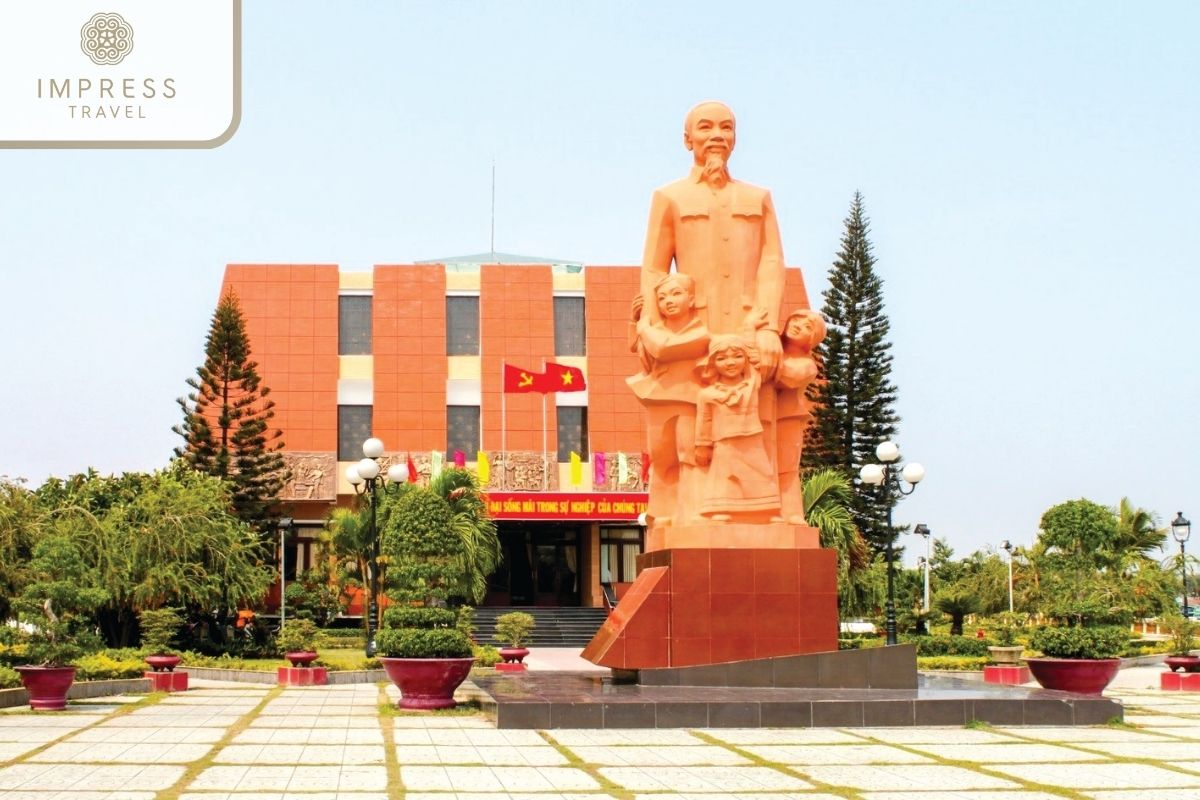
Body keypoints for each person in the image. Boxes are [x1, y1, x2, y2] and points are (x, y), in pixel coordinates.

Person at [639, 101, 786, 378]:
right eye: (705, 127)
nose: (717, 135)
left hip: (749, 329)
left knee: (755, 415)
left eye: (726, 128)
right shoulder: (670, 198)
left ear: (735, 139)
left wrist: (769, 329)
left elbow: (772, 263)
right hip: (693, 331)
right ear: (688, 140)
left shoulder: (757, 198)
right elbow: (654, 270)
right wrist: (652, 327)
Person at [627, 272, 710, 525]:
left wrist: (643, 327)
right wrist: (636, 320)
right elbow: (639, 348)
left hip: (687, 401)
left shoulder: (700, 333)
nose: (668, 301)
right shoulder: (656, 329)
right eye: (662, 298)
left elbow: (663, 348)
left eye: (676, 294)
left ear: (692, 300)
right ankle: (661, 513)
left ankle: (689, 512)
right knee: (661, 459)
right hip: (658, 399)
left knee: (688, 457)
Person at [694, 334, 781, 522]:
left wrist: (753, 328)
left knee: (761, 473)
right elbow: (705, 420)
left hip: (752, 438)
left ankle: (767, 509)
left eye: (737, 356)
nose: (730, 362)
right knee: (724, 476)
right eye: (722, 358)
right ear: (712, 363)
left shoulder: (752, 384)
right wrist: (702, 445)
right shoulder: (707, 394)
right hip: (723, 441)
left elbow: (761, 363)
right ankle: (722, 508)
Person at [776, 309, 826, 523]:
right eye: (796, 319)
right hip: (759, 418)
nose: (798, 326)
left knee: (786, 468)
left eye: (808, 327)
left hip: (787, 418)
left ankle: (792, 513)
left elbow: (787, 378)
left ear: (811, 340)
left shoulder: (807, 365)